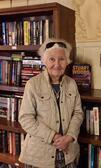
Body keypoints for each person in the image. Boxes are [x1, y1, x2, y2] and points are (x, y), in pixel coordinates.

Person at [18, 38, 84, 168]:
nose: (57, 64)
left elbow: (78, 113)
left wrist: (70, 137)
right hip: (39, 157)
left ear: (67, 61)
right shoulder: (33, 84)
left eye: (61, 59)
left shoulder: (72, 84)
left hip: (68, 153)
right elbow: (25, 119)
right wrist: (53, 136)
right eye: (52, 59)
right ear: (44, 61)